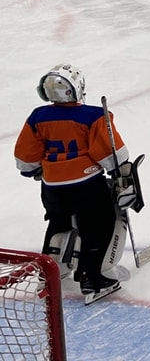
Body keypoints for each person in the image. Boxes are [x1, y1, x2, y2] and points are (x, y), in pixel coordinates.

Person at [13, 64, 132, 301]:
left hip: (52, 188)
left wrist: (38, 170)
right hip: (86, 185)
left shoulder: (38, 116)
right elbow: (112, 156)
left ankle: (51, 273)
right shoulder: (94, 116)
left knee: (58, 222)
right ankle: (95, 278)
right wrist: (122, 175)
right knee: (97, 225)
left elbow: (25, 158)